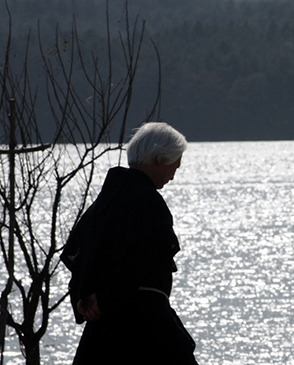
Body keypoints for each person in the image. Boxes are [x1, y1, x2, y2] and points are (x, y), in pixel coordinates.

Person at [61, 122, 198, 364]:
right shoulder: (149, 203)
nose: (173, 176)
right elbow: (142, 260)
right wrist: (103, 301)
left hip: (101, 330)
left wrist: (84, 300)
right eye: (174, 167)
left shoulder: (101, 204)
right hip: (142, 323)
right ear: (160, 160)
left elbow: (77, 255)